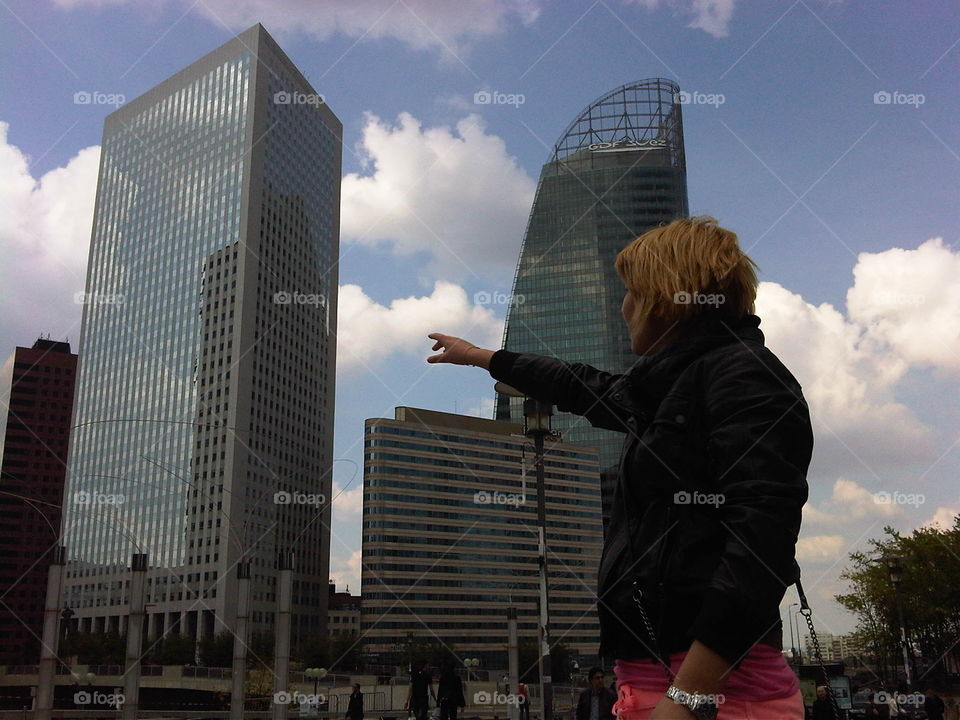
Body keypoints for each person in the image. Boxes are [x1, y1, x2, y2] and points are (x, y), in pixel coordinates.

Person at [427, 217, 812, 720]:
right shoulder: (671, 385)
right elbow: (584, 387)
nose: (623, 306)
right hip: (657, 681)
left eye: (631, 291)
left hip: (720, 695)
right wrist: (483, 357)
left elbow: (761, 546)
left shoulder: (746, 377)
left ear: (665, 298)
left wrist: (688, 700)